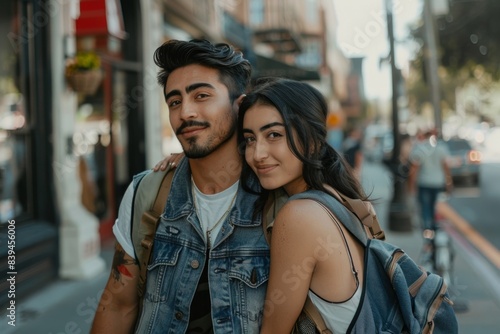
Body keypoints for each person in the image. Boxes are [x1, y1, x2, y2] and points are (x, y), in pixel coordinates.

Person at [90, 39, 270, 333]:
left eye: (201, 95)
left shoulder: (278, 196)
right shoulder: (146, 193)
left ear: (241, 106)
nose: (185, 112)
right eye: (175, 102)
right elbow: (118, 304)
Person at [237, 78, 369, 334]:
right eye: (250, 139)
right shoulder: (343, 198)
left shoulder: (299, 216)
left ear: (312, 141)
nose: (257, 154)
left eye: (274, 135)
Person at [408, 129, 453, 236]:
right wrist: (449, 181)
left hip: (424, 183)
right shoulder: (441, 148)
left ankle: (427, 231)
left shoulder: (420, 149)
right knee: (435, 207)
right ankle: (434, 228)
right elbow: (445, 166)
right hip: (438, 183)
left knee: (425, 207)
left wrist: (411, 185)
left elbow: (414, 169)